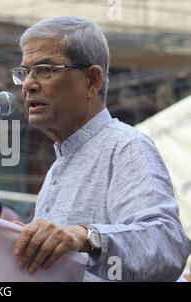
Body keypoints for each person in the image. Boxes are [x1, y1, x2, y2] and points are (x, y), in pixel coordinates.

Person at [11, 16, 191, 281]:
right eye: (25, 72)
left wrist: (87, 237)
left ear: (93, 80)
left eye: (46, 69)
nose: (29, 84)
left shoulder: (126, 146)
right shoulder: (56, 170)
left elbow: (166, 244)